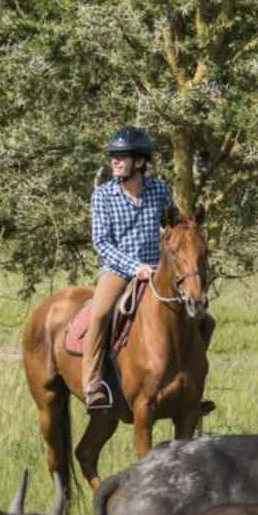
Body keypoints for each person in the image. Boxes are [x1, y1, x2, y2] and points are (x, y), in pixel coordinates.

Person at [82, 126, 173, 411]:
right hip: (118, 270)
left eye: (121, 156)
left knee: (202, 318)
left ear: (140, 161)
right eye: (113, 156)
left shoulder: (159, 189)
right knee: (99, 314)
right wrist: (135, 267)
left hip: (157, 270)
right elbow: (101, 242)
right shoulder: (103, 195)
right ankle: (93, 384)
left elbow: (171, 226)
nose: (115, 161)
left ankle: (192, 384)